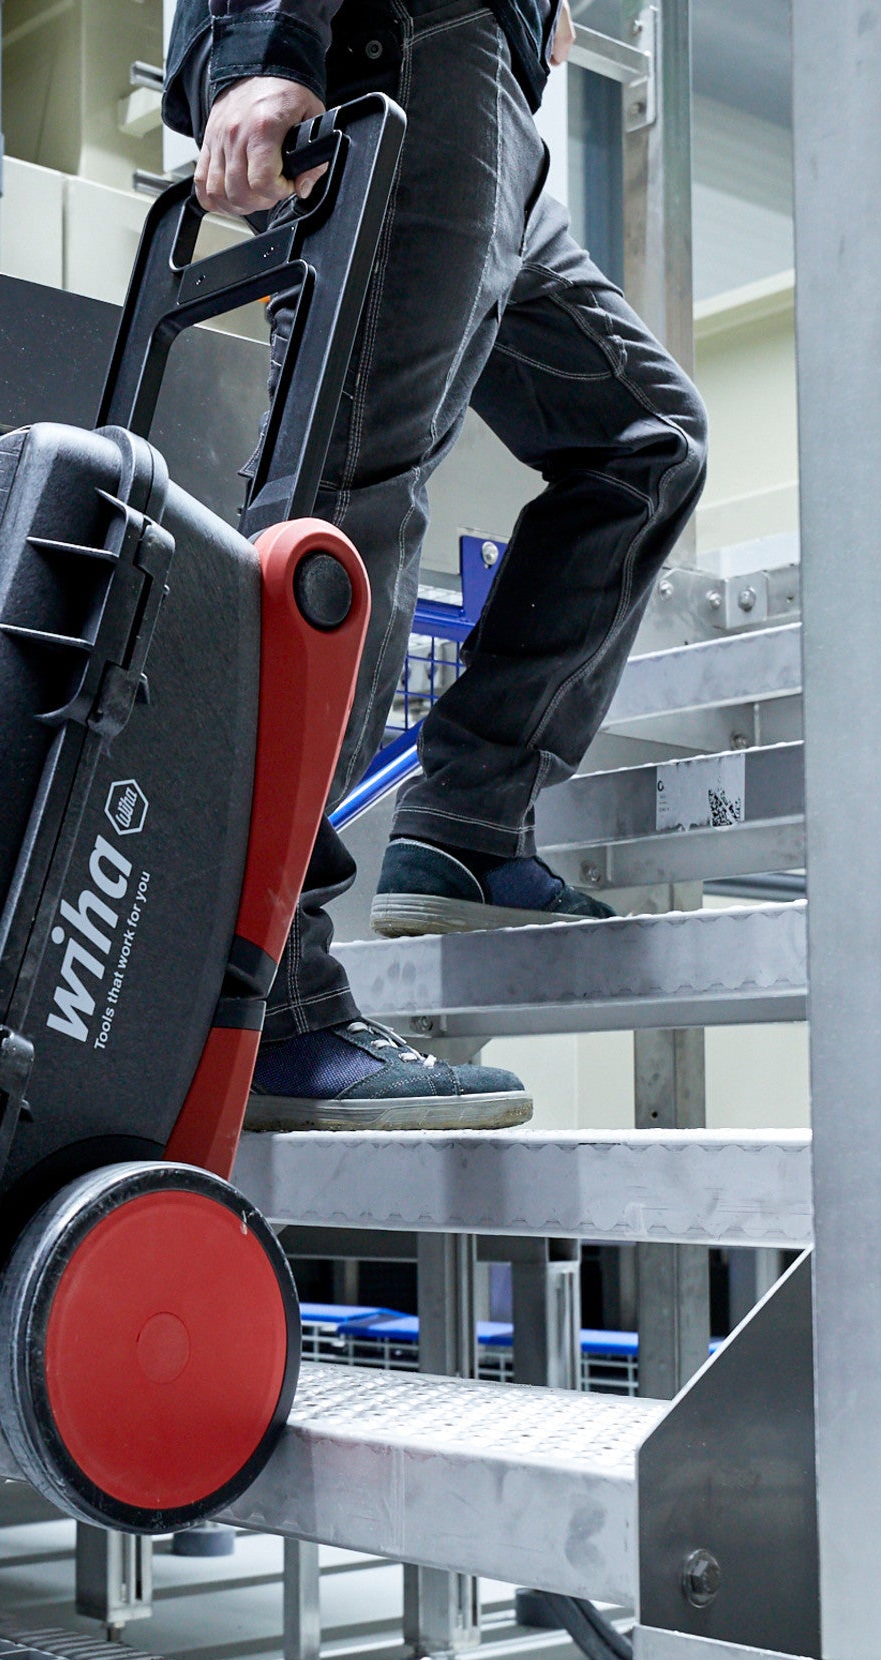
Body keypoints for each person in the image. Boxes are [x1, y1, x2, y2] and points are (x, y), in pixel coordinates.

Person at [161, 0, 707, 1130]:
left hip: (497, 97)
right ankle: (258, 993)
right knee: (345, 492)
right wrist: (260, 53)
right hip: (411, 44)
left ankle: (468, 826)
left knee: (646, 443)